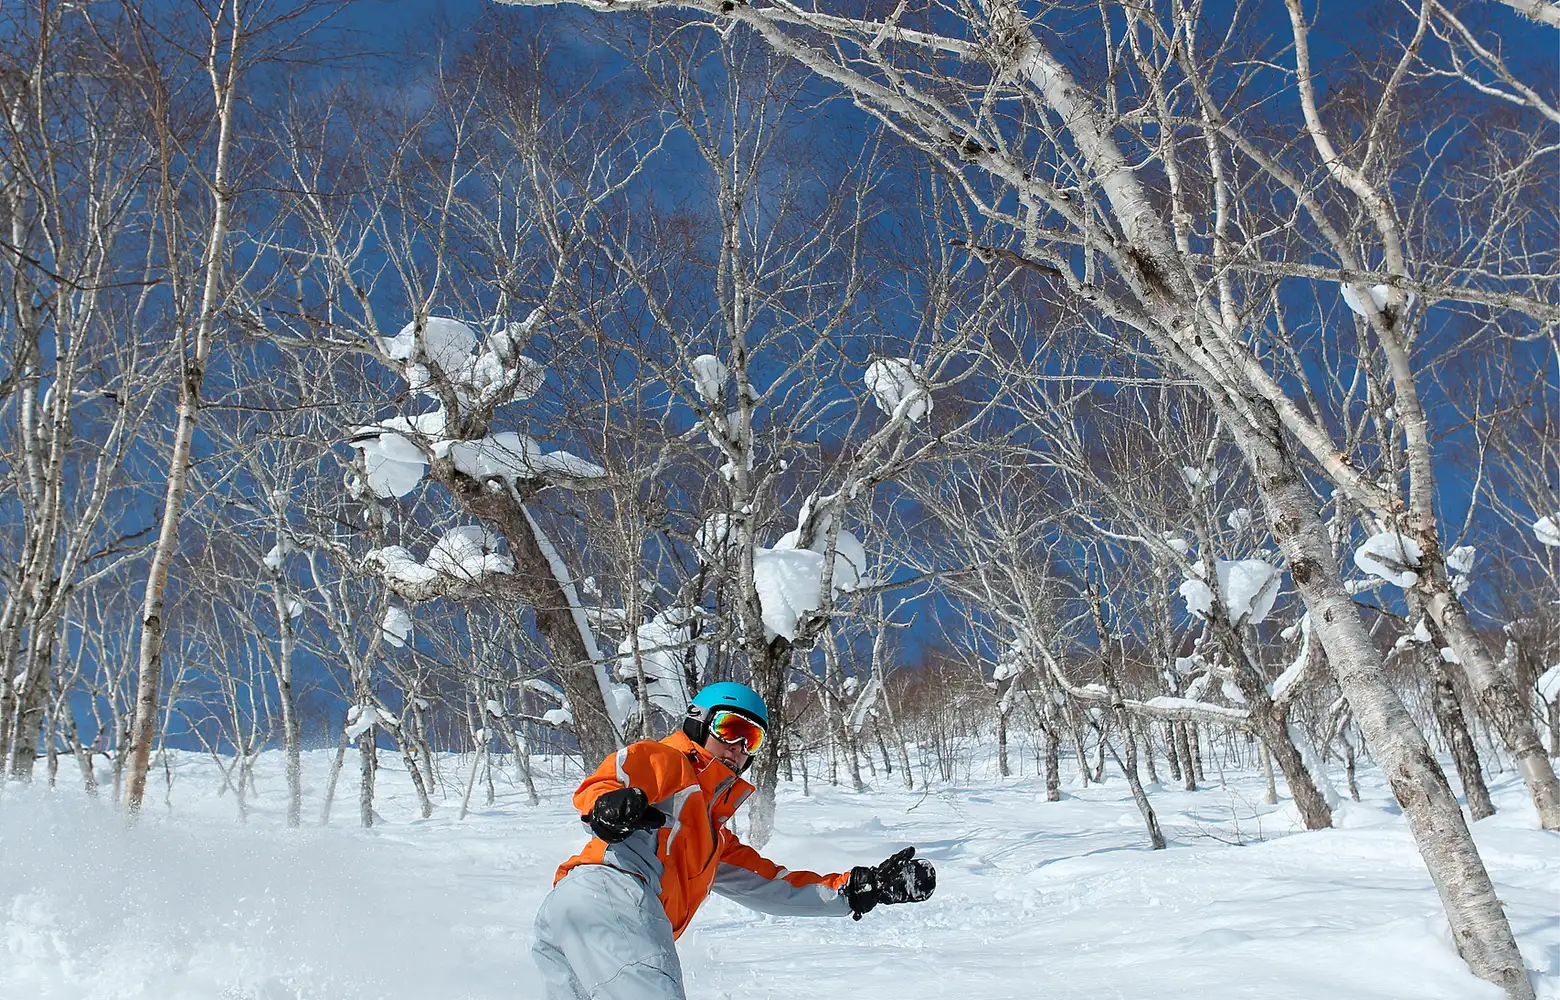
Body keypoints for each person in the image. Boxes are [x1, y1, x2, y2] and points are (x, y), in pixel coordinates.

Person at [532, 681, 937, 1000]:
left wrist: (857, 889)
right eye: (730, 729)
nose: (739, 748)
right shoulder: (670, 763)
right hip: (610, 897)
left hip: (571, 917)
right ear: (699, 722)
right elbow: (613, 778)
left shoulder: (712, 841)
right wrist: (608, 807)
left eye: (752, 739)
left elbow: (776, 886)